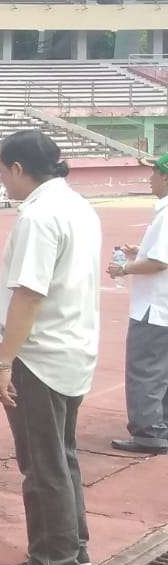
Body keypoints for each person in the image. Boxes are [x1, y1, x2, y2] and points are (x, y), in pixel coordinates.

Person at [0, 130, 102, 565]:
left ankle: (54, 562)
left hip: (41, 354)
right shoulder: (77, 206)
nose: (1, 181)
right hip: (72, 347)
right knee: (62, 454)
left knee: (42, 460)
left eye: (1, 171)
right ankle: (73, 547)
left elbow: (29, 295)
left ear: (17, 168)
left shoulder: (39, 216)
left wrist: (2, 362)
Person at [109, 153, 168, 454]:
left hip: (155, 308)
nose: (150, 178)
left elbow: (159, 261)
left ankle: (148, 431)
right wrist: (140, 251)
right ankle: (160, 425)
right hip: (162, 307)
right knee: (162, 371)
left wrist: (124, 268)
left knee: (145, 369)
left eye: (155, 173)